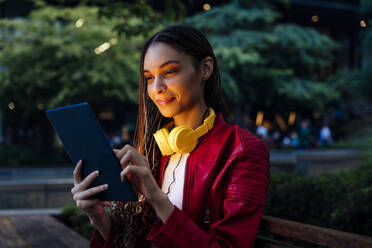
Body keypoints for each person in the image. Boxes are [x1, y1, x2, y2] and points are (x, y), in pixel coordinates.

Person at [71, 25, 269, 248]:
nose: (157, 88)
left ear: (205, 69)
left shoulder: (243, 150)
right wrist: (99, 217)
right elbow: (136, 242)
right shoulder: (154, 150)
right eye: (149, 77)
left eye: (170, 72)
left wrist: (157, 197)